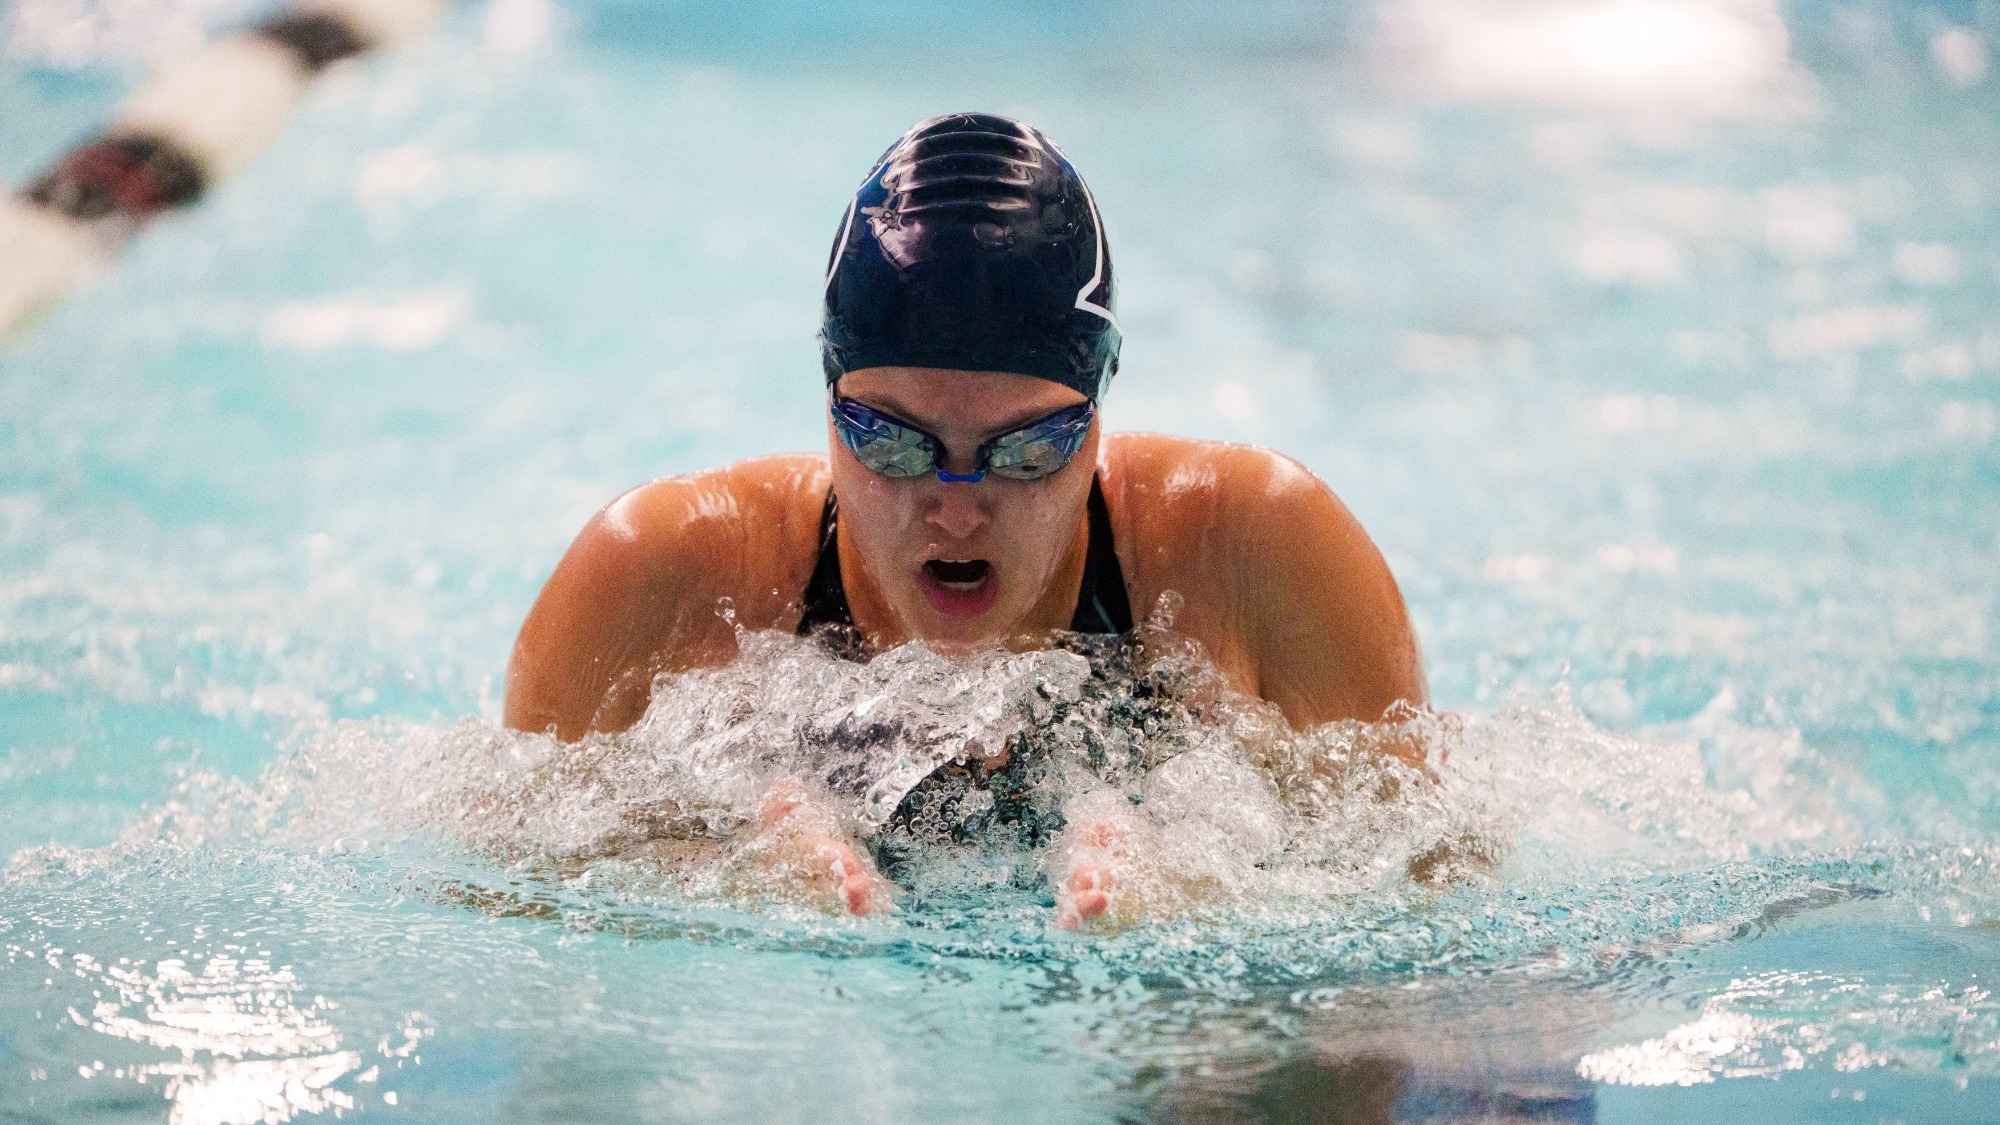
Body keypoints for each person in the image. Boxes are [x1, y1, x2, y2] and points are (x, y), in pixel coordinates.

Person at [505, 112, 1427, 927]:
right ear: (829, 410)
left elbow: (1434, 881)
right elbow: (502, 895)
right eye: (893, 443)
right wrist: (712, 874)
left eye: (1026, 450)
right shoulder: (659, 573)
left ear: (1099, 416)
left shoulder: (1259, 550)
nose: (953, 508)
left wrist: (1214, 890)